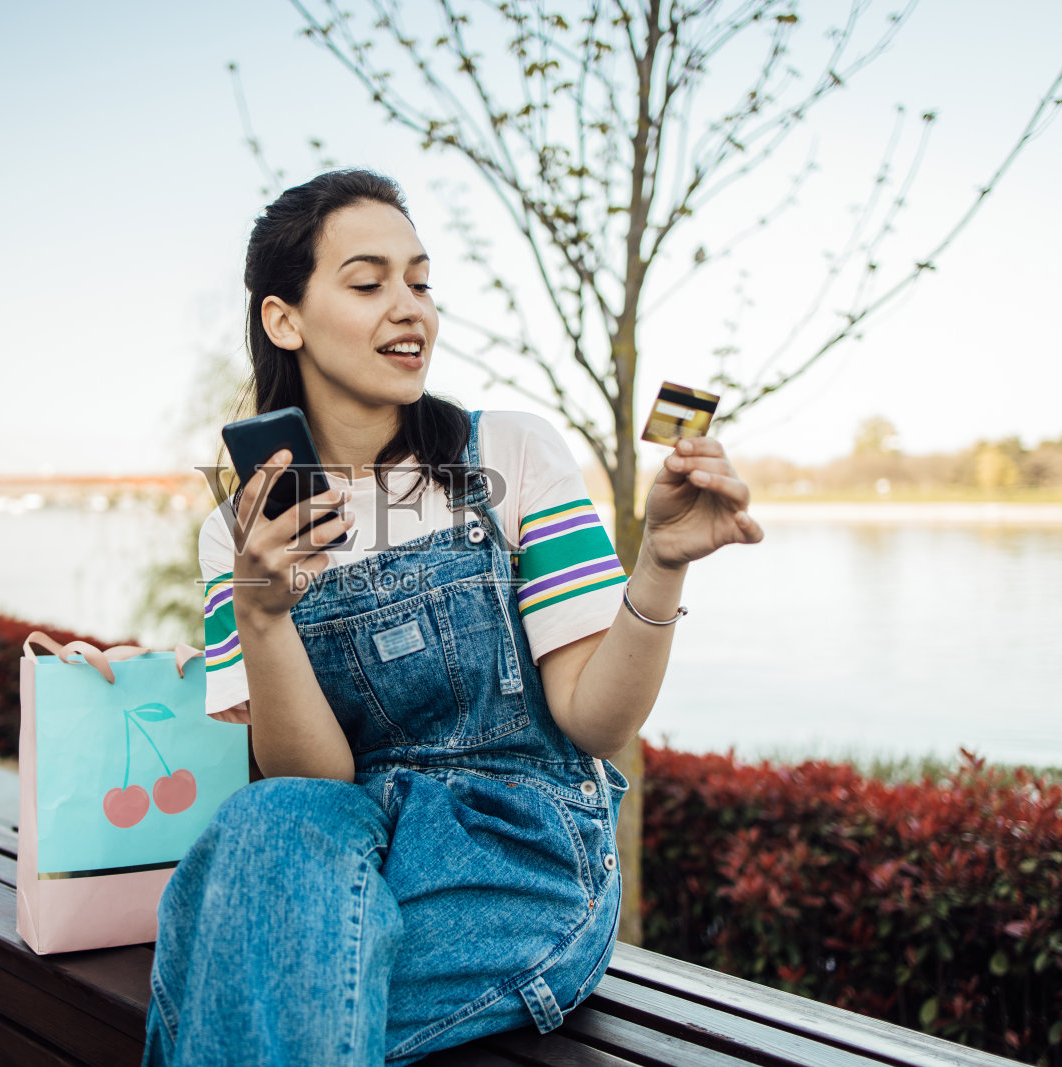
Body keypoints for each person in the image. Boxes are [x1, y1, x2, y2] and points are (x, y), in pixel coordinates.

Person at [143, 168, 763, 1066]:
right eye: (368, 283)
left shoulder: (509, 455)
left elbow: (596, 720)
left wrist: (660, 563)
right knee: (266, 826)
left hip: (516, 855)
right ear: (285, 319)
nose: (411, 309)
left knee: (246, 990)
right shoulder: (238, 535)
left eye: (421, 282)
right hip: (346, 850)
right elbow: (313, 783)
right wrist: (264, 613)